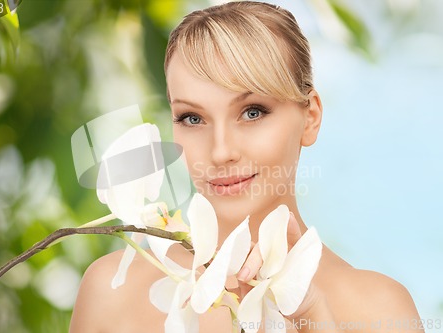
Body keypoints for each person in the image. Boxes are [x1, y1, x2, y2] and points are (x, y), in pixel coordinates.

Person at [70, 1, 423, 332]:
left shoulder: (380, 310)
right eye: (192, 118)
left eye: (253, 112)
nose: (221, 152)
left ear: (311, 117)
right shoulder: (111, 291)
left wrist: (314, 316)